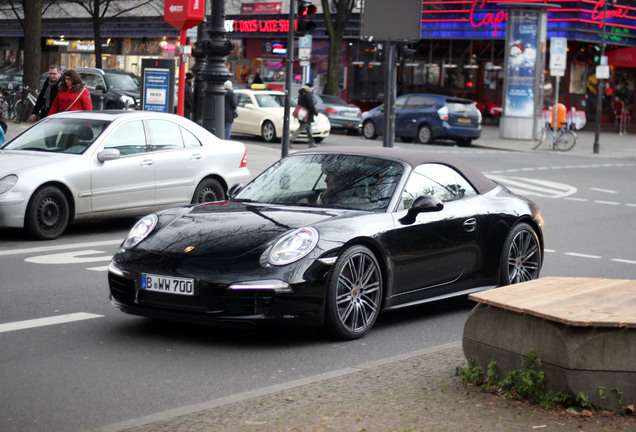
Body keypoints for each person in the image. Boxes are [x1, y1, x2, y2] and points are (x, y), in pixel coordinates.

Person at [289, 83, 318, 148]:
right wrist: (315, 112)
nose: (313, 89)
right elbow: (311, 105)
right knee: (302, 128)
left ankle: (312, 143)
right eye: (312, 87)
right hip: (307, 115)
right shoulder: (308, 95)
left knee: (309, 130)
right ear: (310, 88)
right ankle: (291, 139)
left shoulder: (301, 94)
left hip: (302, 114)